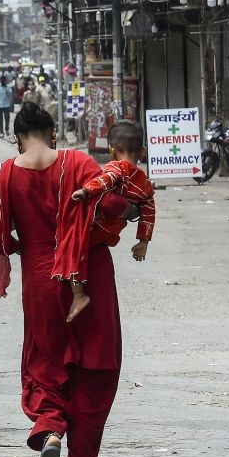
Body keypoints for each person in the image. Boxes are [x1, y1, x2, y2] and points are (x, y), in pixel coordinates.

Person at [0, 102, 134, 457]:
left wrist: (25, 246)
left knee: (45, 361)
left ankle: (50, 430)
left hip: (40, 280)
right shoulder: (80, 163)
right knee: (96, 366)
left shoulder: (6, 176)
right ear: (52, 133)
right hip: (90, 274)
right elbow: (118, 205)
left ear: (17, 138)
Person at [67, 120, 155, 322]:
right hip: (112, 231)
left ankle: (78, 294)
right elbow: (149, 214)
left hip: (95, 226)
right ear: (142, 152)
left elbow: (104, 181)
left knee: (72, 250)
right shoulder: (146, 184)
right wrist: (143, 242)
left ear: (111, 150)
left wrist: (85, 190)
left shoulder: (116, 168)